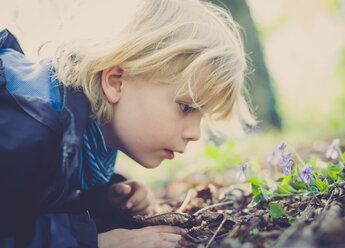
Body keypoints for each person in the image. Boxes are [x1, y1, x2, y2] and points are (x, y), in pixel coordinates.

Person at [0, 0, 256, 247]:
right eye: (186, 107)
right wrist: (93, 242)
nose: (195, 133)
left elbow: (31, 202)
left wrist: (104, 199)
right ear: (116, 83)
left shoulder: (84, 133)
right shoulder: (28, 134)